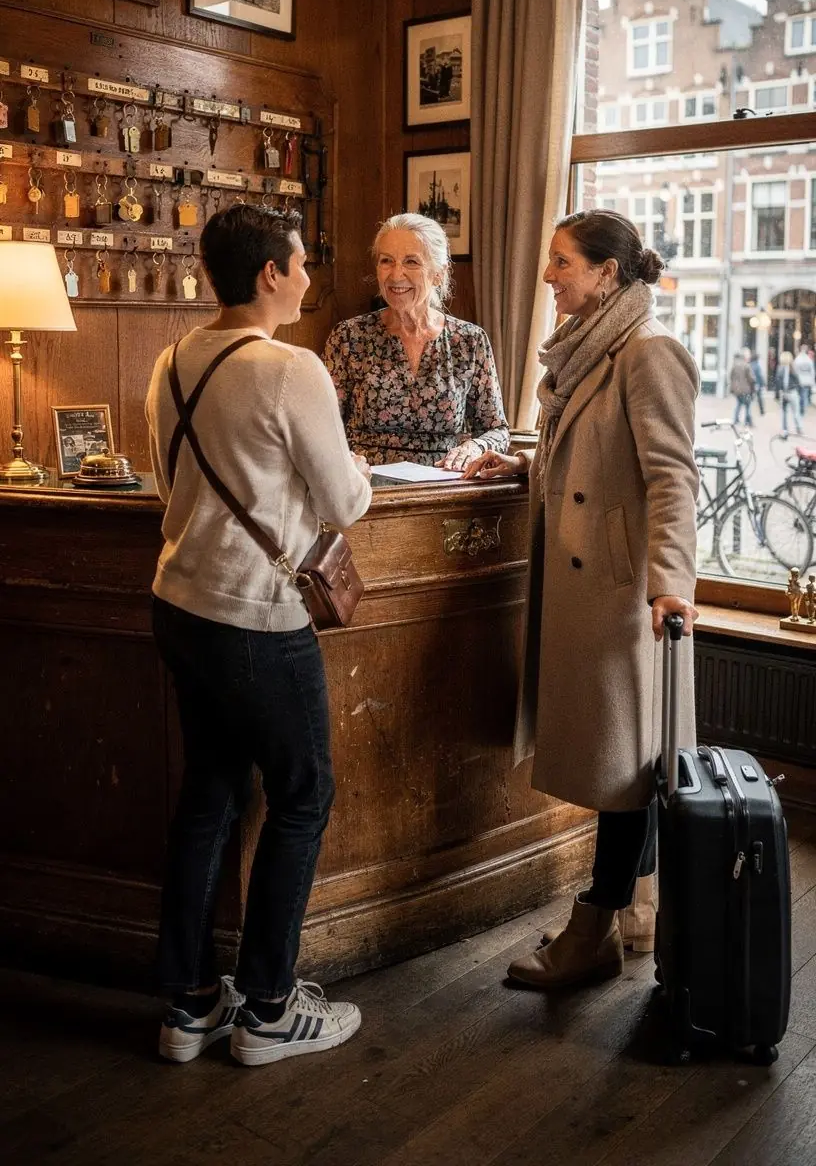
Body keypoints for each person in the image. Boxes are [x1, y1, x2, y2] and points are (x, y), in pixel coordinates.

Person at [145, 204, 372, 1066]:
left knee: (210, 791)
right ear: (270, 273)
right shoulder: (290, 368)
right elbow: (346, 501)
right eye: (302, 263)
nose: (309, 276)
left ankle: (190, 1005)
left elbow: (167, 482)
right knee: (303, 796)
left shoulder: (171, 359)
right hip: (256, 614)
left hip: (179, 603)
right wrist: (352, 470)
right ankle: (270, 1007)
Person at [464, 209, 699, 988]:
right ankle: (633, 914)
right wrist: (521, 467)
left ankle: (593, 929)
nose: (548, 276)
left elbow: (672, 477)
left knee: (622, 768)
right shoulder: (585, 348)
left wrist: (671, 583)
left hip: (625, 598)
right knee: (624, 763)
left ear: (606, 273)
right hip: (588, 586)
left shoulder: (648, 351)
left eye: (562, 262)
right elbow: (586, 454)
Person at [322, 213, 509, 469]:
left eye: (411, 262)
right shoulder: (349, 337)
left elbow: (497, 430)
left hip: (443, 481)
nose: (396, 274)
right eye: (386, 261)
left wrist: (475, 446)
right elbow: (321, 426)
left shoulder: (470, 341)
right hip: (366, 482)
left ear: (438, 274)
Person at [774, 351, 803, 438]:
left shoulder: (780, 368)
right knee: (796, 412)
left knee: (784, 412)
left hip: (784, 393)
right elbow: (798, 381)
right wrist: (799, 391)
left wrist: (777, 395)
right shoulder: (793, 367)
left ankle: (785, 429)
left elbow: (777, 382)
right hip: (792, 392)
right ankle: (799, 428)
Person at [729, 351, 755, 427]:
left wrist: (733, 388)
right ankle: (747, 421)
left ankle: (736, 420)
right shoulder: (746, 365)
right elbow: (751, 378)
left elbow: (731, 377)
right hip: (745, 389)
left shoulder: (735, 365)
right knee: (748, 406)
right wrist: (753, 386)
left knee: (739, 404)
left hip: (737, 390)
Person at [794, 345, 814, 415]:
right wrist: (812, 380)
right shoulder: (809, 359)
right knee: (804, 395)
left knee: (799, 395)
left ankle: (800, 408)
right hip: (807, 381)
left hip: (799, 380)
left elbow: (795, 370)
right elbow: (812, 371)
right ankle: (802, 409)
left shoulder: (797, 359)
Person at [749, 350, 766, 416]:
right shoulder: (757, 365)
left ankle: (748, 410)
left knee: (751, 397)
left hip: (751, 384)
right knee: (759, 398)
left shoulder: (750, 364)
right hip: (757, 384)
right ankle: (762, 411)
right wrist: (763, 383)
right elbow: (759, 375)